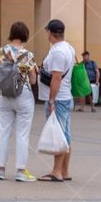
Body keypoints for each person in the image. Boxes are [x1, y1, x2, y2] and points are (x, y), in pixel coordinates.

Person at [0, 21, 38, 183]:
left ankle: (0, 169)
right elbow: (33, 80)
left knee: (4, 131)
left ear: (12, 34)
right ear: (25, 35)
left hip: (5, 95)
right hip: (23, 95)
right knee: (22, 134)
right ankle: (20, 171)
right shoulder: (28, 55)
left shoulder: (1, 51)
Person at [37, 18, 75, 182]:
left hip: (58, 99)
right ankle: (64, 171)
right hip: (64, 97)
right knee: (65, 135)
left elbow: (57, 78)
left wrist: (51, 100)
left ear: (50, 33)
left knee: (58, 135)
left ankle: (57, 171)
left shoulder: (58, 52)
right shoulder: (68, 48)